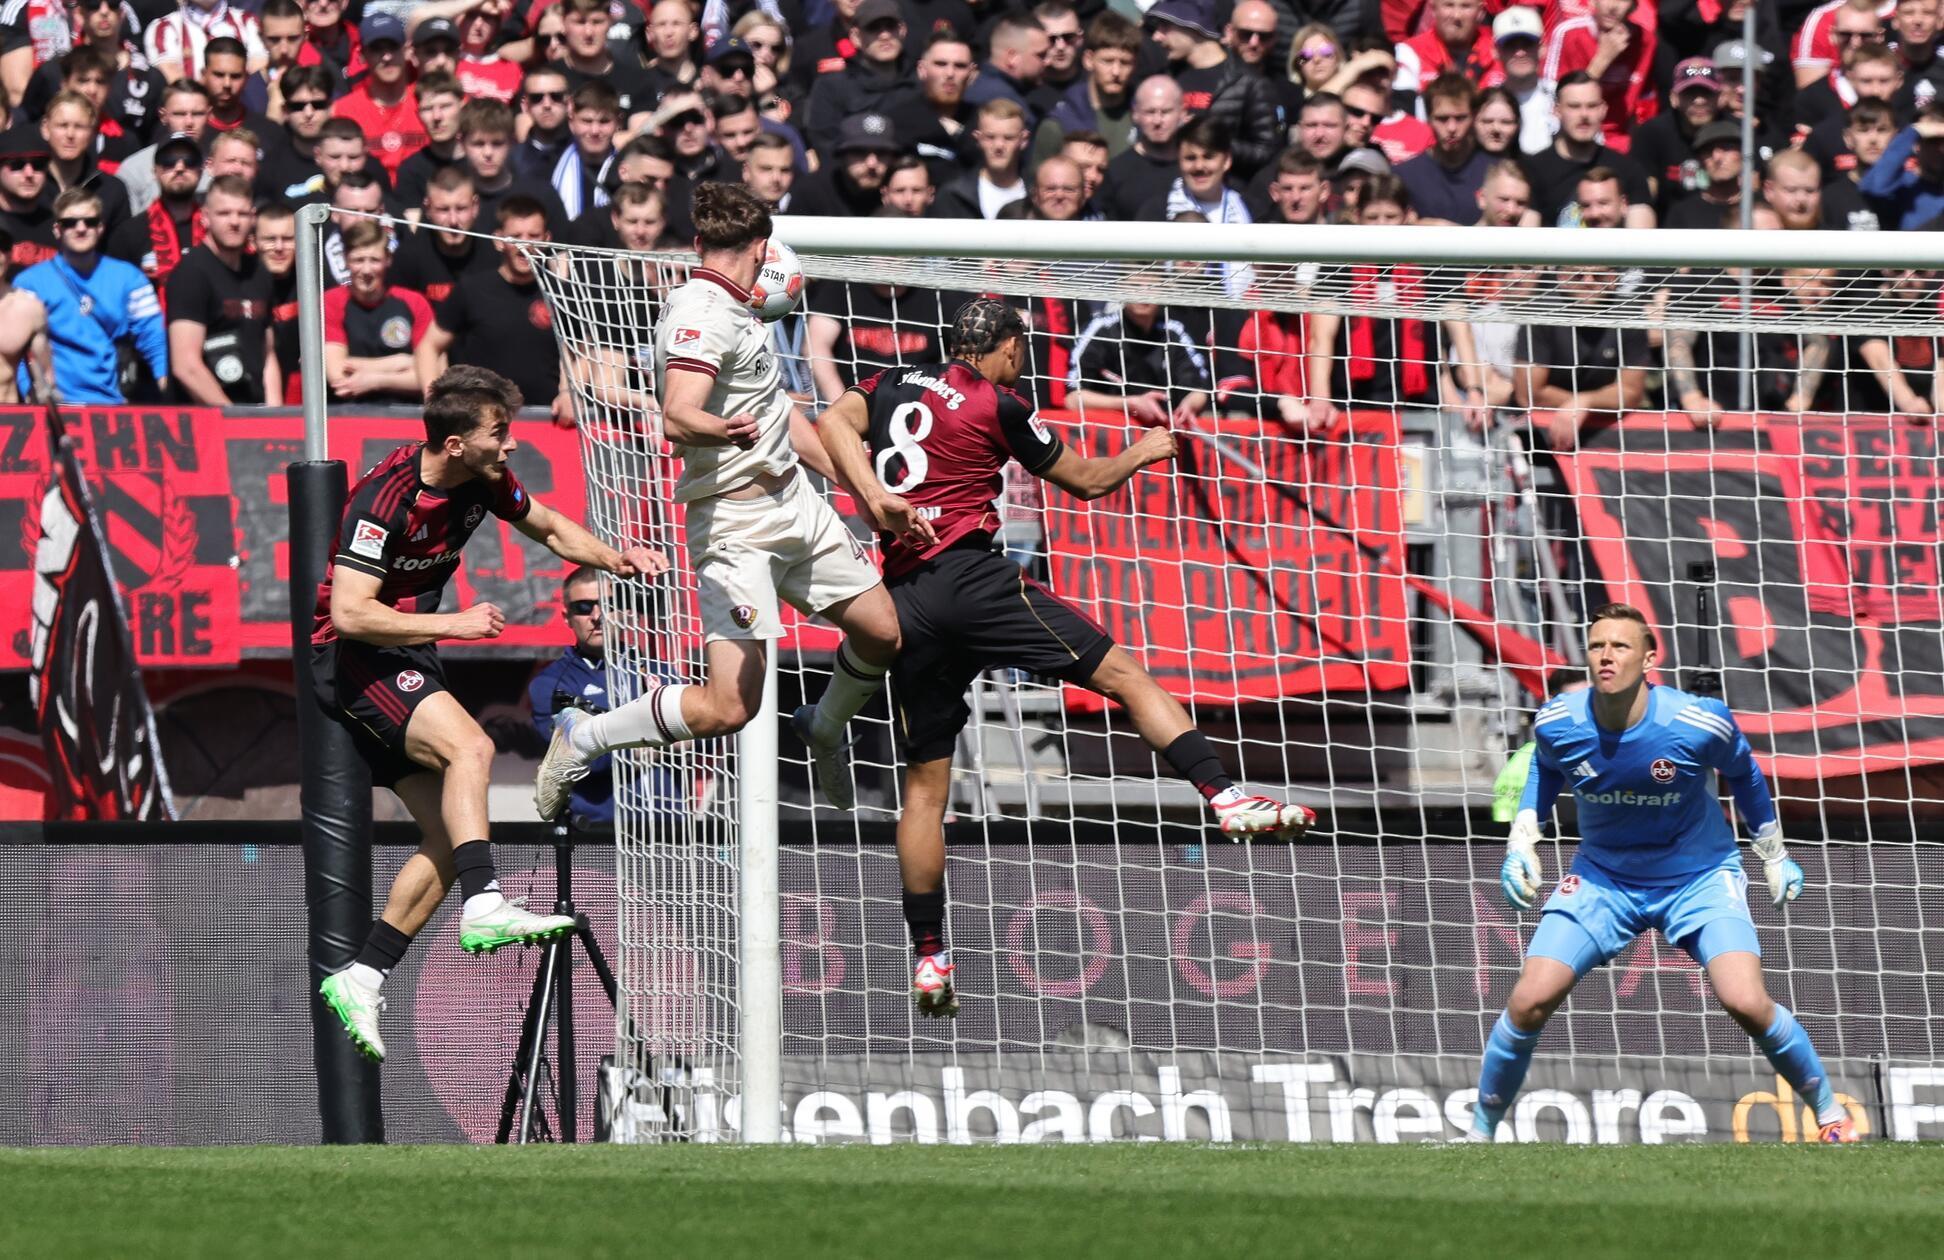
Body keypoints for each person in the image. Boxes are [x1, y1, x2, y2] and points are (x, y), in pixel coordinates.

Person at [813, 298, 1315, 1016]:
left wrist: (876, 498)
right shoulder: (1000, 403)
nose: (1024, 358)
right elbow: (1085, 480)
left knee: (925, 792)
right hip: (975, 582)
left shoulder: (892, 380)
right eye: (1022, 347)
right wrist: (1144, 450)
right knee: (1123, 673)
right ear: (1007, 348)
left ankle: (929, 957)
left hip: (907, 598)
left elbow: (831, 420)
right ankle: (1225, 798)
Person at [313, 365, 668, 1064]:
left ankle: (362, 974)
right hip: (354, 657)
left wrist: (615, 560)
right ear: (453, 445)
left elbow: (546, 525)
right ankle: (485, 906)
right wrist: (455, 623)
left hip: (403, 655)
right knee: (472, 750)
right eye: (497, 433)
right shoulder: (382, 502)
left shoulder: (483, 477)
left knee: (450, 838)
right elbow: (349, 613)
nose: (509, 445)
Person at [533, 182, 902, 818]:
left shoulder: (746, 312)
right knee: (731, 707)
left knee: (881, 632)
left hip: (796, 503)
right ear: (764, 249)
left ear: (700, 242)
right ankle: (585, 734)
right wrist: (717, 428)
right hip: (735, 526)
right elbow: (677, 415)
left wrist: (857, 489)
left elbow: (781, 416)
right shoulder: (700, 315)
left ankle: (822, 724)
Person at [1466, 603, 1859, 1145]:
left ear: (1649, 658)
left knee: (1744, 1000)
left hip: (1696, 876)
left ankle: (1829, 1111)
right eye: (1597, 645)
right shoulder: (1558, 720)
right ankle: (1479, 1133)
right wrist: (1522, 842)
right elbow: (1544, 768)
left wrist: (1772, 853)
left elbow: (1744, 772)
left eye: (1621, 646)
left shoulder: (1698, 722)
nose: (1606, 656)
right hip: (1603, 878)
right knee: (1529, 1000)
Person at [415, 196, 571, 425]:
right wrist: (434, 401)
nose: (525, 245)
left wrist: (568, 393)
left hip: (547, 421)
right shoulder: (471, 290)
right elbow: (428, 346)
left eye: (533, 236)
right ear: (498, 241)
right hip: (478, 423)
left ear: (546, 239)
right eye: (515, 237)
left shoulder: (560, 293)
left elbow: (576, 352)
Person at [15, 186, 168, 404]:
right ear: (57, 230)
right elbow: (15, 349)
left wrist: (167, 391)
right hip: (54, 407)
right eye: (70, 223)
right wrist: (31, 395)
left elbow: (153, 339)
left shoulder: (129, 278)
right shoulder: (30, 283)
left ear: (101, 228)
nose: (81, 228)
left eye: (90, 221)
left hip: (113, 405)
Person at [165, 175, 275, 406]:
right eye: (224, 213)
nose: (234, 222)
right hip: (207, 419)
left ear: (253, 218)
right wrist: (232, 419)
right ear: (205, 217)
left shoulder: (260, 272)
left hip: (254, 414)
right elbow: (186, 366)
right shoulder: (191, 274)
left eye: (242, 214)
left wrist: (274, 417)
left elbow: (268, 356)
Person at [324, 218, 433, 404]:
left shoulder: (414, 303)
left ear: (388, 260)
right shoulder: (331, 301)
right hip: (348, 416)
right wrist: (402, 362)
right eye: (358, 260)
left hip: (404, 414)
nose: (366, 270)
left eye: (374, 260)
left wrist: (376, 380)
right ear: (345, 259)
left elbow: (433, 379)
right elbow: (337, 376)